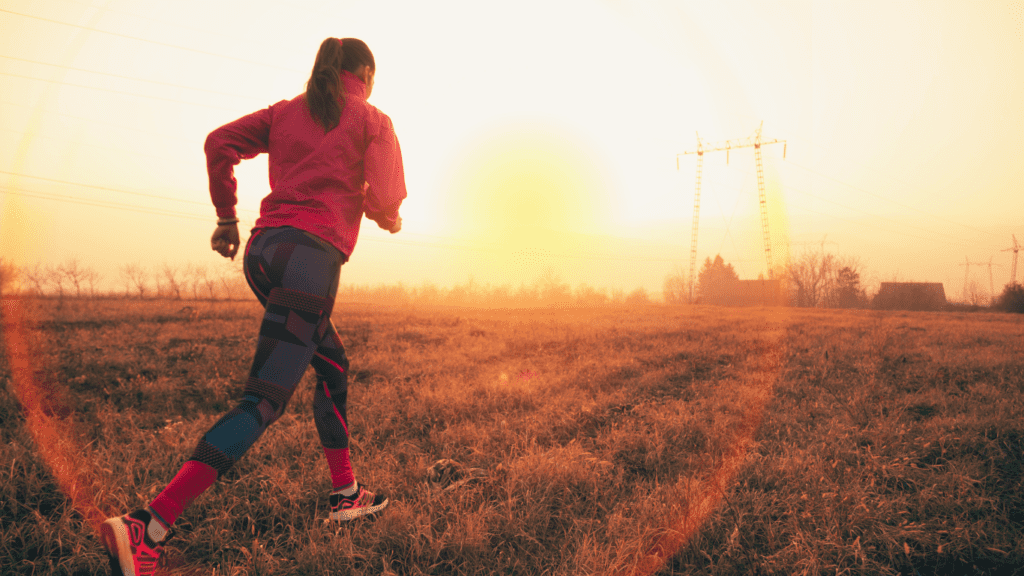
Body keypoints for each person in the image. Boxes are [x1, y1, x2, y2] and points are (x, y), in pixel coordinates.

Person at [99, 37, 406, 576]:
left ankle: (346, 494)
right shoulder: (373, 119)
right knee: (262, 402)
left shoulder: (285, 112)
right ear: (365, 73)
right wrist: (389, 216)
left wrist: (225, 216)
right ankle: (148, 526)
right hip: (310, 260)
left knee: (333, 365)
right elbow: (385, 197)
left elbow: (219, 141)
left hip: (265, 252)